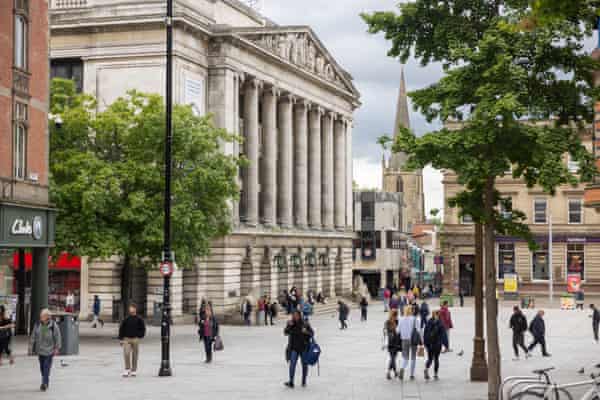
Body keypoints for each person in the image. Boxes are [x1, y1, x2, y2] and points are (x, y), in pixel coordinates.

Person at [30, 309, 61, 391]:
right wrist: (31, 347)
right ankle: (45, 378)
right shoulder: (37, 324)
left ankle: (44, 383)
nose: (40, 317)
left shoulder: (53, 326)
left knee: (46, 367)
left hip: (49, 350)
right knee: (42, 368)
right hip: (40, 350)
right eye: (40, 316)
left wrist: (57, 348)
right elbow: (33, 336)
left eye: (42, 316)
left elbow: (57, 337)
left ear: (47, 317)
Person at [284, 310, 314, 388]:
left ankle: (303, 381)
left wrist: (306, 332)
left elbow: (312, 334)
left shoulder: (305, 323)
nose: (295, 317)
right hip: (293, 348)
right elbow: (285, 333)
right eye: (294, 315)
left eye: (297, 315)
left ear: (300, 315)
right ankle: (291, 381)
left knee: (304, 365)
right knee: (292, 365)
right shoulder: (290, 323)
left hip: (303, 348)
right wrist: (289, 326)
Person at [118, 302, 146, 377]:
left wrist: (140, 336)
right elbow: (121, 329)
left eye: (132, 308)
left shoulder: (139, 319)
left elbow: (143, 329)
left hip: (135, 339)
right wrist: (121, 339)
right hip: (126, 339)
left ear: (135, 309)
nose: (131, 309)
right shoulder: (126, 319)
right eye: (130, 308)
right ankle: (127, 369)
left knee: (135, 355)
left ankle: (134, 370)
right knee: (126, 354)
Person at [398, 307, 421, 380]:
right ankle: (411, 374)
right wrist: (421, 341)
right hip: (413, 339)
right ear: (411, 311)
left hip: (404, 340)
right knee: (413, 357)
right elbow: (419, 330)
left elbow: (397, 330)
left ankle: (402, 368)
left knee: (405, 357)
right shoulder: (415, 319)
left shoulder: (401, 319)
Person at [423, 310, 445, 380]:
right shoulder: (440, 323)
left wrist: (425, 343)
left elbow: (425, 334)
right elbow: (443, 335)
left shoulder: (429, 322)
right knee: (434, 359)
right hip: (436, 344)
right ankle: (434, 374)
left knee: (432, 358)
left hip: (431, 344)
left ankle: (428, 370)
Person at [384, 309, 402, 379]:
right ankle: (389, 372)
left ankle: (394, 372)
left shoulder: (387, 322)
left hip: (389, 342)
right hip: (396, 342)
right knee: (393, 358)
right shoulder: (397, 321)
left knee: (392, 358)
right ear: (396, 315)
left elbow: (385, 332)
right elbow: (399, 332)